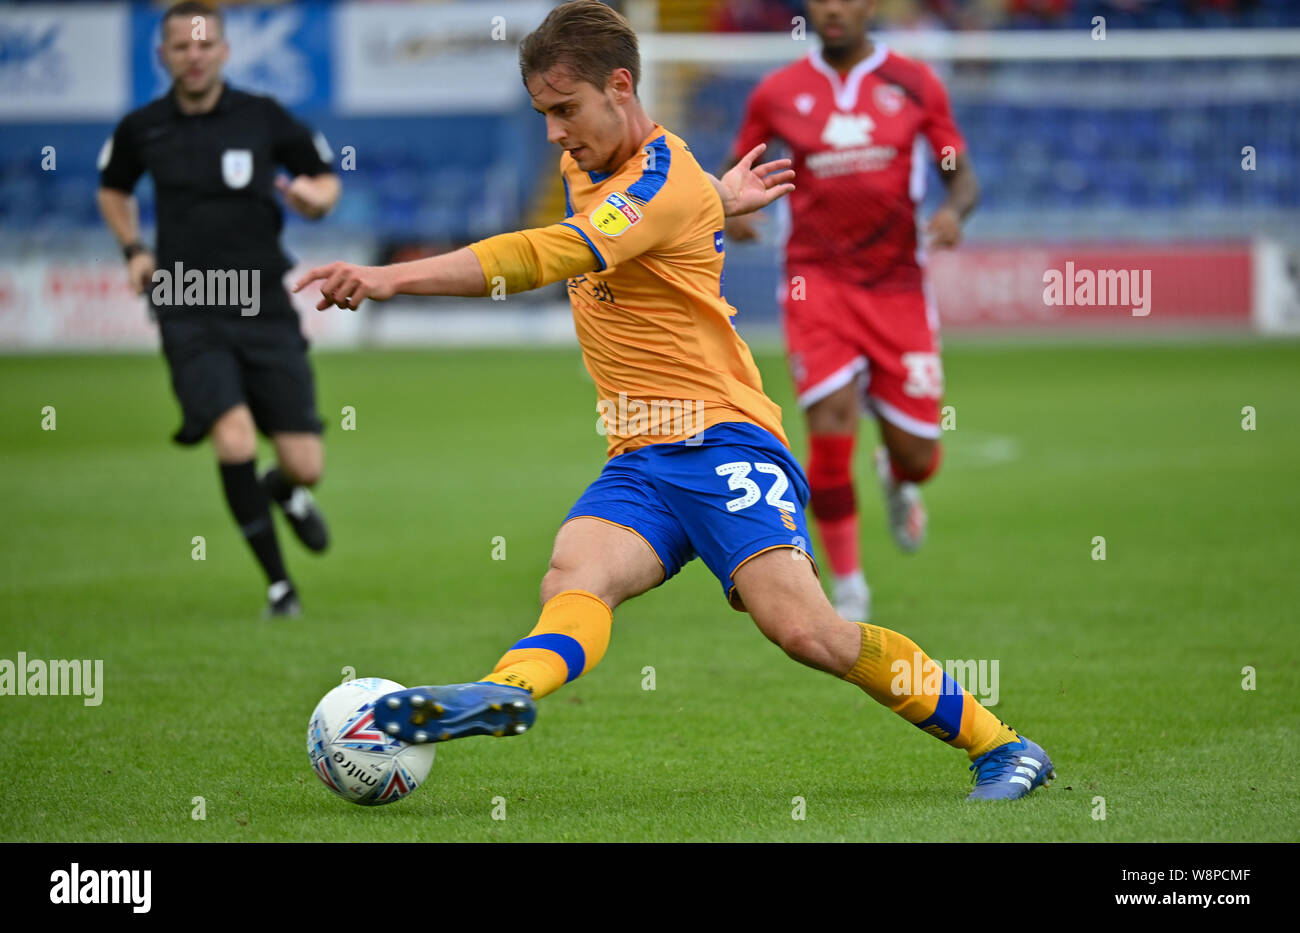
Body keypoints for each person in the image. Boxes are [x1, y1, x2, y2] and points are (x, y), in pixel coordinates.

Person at [296, 0, 1050, 800]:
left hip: (722, 442)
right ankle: (505, 691)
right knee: (573, 577)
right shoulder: (601, 166)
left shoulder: (662, 178)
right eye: (543, 114)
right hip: (640, 456)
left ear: (620, 86)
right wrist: (713, 204)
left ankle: (1003, 746)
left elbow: (546, 251)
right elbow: (655, 223)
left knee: (806, 631)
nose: (554, 132)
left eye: (564, 110)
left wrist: (389, 277)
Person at [726, 0, 980, 622]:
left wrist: (952, 213)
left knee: (921, 454)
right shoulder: (778, 92)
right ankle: (849, 589)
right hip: (818, 286)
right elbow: (740, 172)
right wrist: (740, 214)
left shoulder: (915, 83)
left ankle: (897, 476)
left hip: (898, 288)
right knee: (830, 428)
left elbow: (960, 173)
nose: (833, 8)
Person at [97, 1, 340, 617]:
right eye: (181, 47)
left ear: (225, 51)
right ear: (165, 56)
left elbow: (323, 180)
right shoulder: (142, 127)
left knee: (305, 465)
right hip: (188, 304)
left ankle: (280, 490)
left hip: (262, 301)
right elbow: (113, 187)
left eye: (205, 46)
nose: (194, 56)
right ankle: (280, 588)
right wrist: (132, 248)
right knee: (231, 436)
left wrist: (311, 198)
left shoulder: (262, 117)